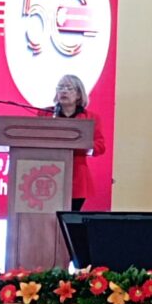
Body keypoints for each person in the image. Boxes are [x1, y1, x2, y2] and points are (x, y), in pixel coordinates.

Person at [39, 74, 106, 211]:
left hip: (76, 177)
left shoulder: (90, 118)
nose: (64, 91)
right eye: (60, 87)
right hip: (47, 175)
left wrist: (84, 144)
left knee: (69, 218)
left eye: (69, 88)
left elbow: (100, 146)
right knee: (48, 218)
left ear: (79, 94)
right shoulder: (45, 114)